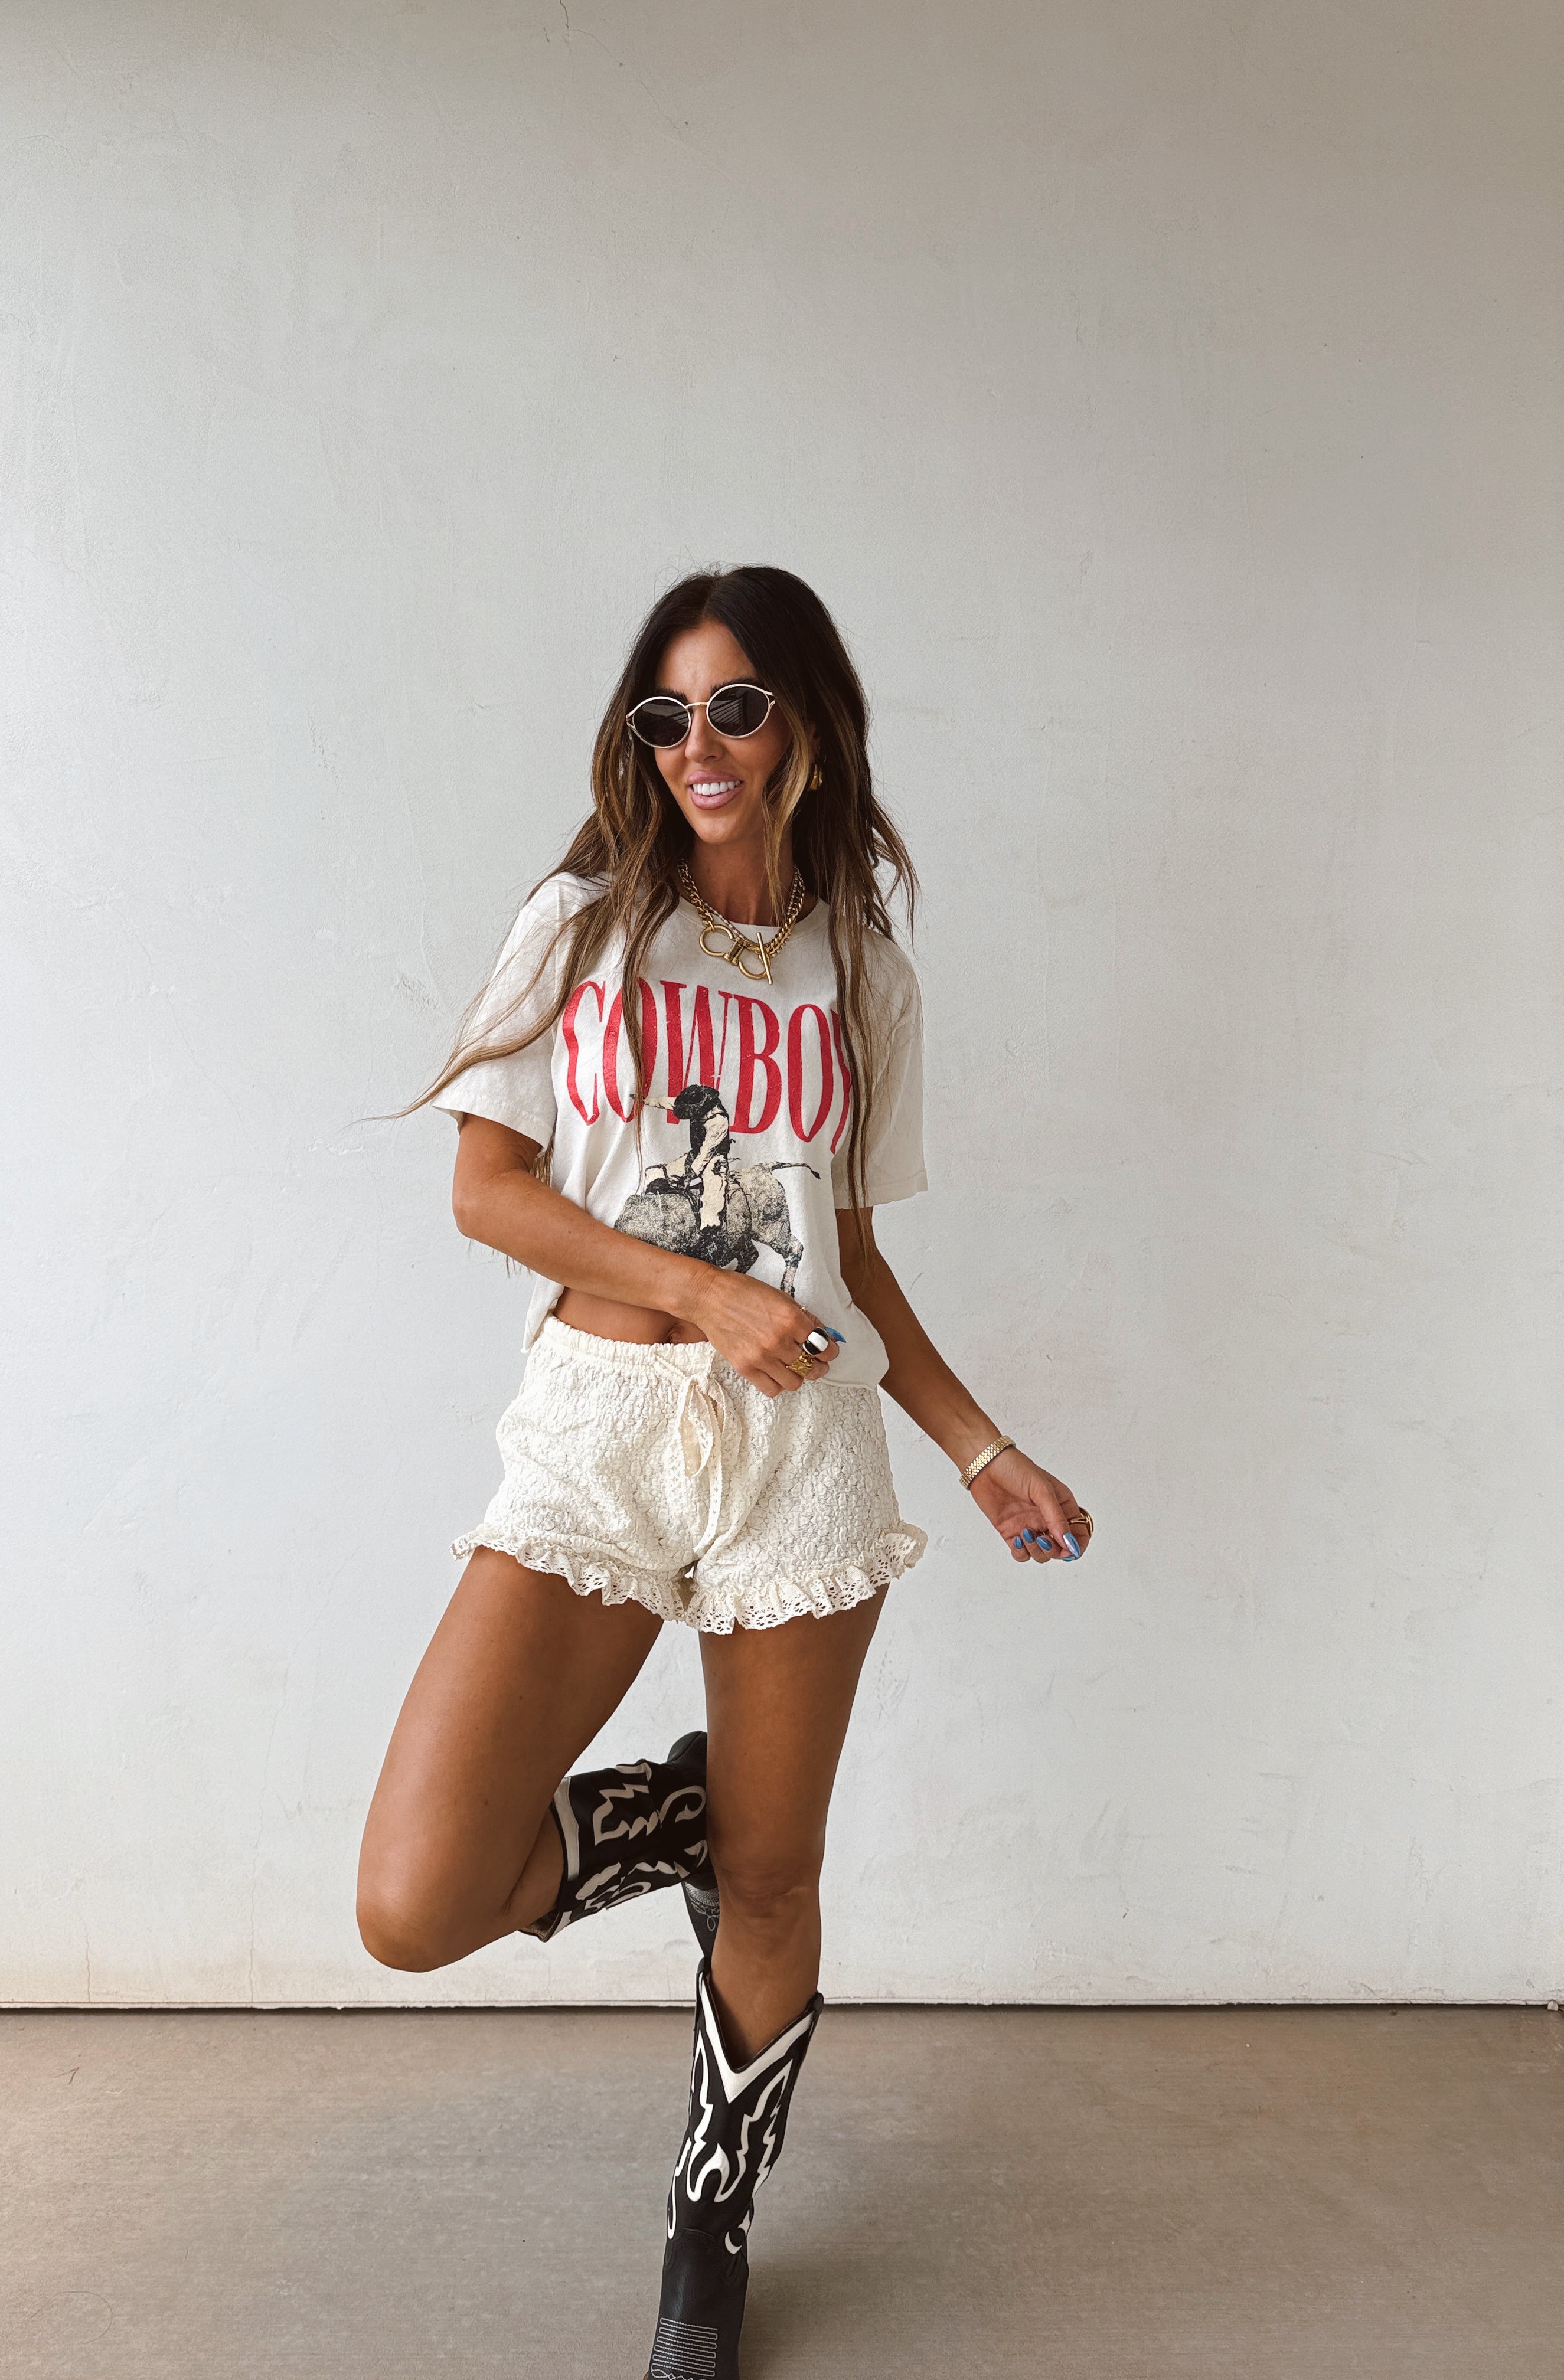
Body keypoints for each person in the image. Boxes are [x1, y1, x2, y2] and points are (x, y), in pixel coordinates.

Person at [356, 566, 1093, 2380]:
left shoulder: (863, 969)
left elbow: (852, 1258)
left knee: (777, 1881)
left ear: (808, 728)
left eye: (737, 706)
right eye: (667, 714)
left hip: (804, 1450)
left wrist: (983, 1449)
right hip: (600, 1434)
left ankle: (711, 2224)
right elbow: (487, 1194)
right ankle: (671, 1817)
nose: (700, 743)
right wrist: (697, 1291)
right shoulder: (582, 926)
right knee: (416, 1900)